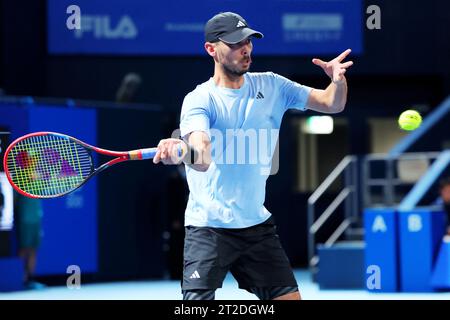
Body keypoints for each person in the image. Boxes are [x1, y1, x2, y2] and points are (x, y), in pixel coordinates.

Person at [153, 12, 353, 300]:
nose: (245, 49)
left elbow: (332, 103)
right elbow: (202, 156)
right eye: (235, 43)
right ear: (211, 49)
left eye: (248, 41)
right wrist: (180, 150)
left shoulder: (274, 85)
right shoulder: (200, 99)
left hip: (256, 227)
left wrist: (338, 80)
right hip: (208, 228)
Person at [14, 193, 45, 289]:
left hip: (36, 219)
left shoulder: (38, 184)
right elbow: (14, 201)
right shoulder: (19, 182)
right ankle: (20, 279)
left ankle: (30, 280)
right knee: (23, 249)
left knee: (33, 250)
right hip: (24, 219)